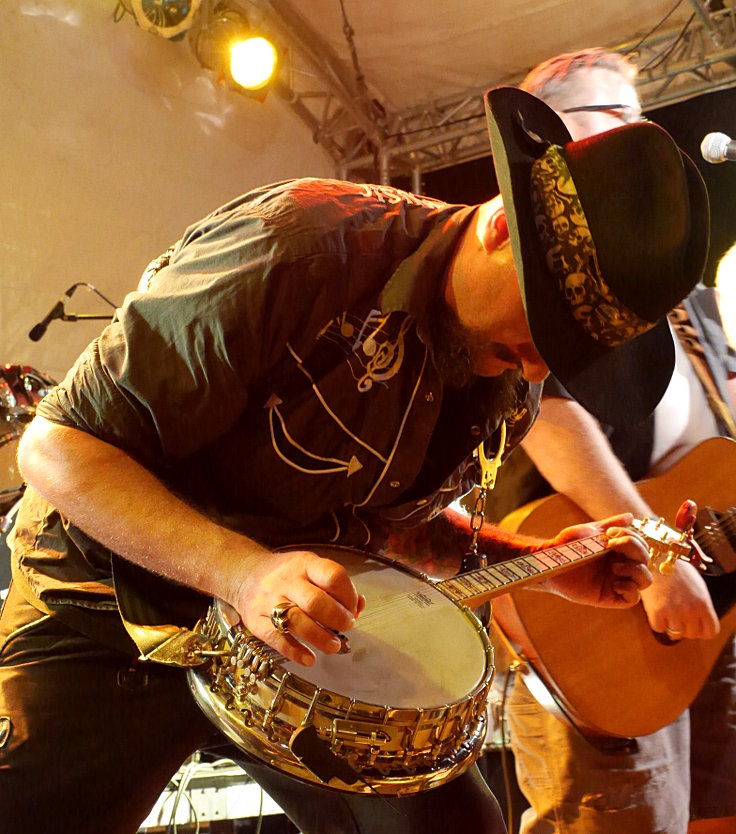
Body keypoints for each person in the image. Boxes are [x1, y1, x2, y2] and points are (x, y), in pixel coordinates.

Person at [0, 86, 709, 834]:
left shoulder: (504, 373)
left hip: (293, 645)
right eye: (541, 331)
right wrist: (241, 572)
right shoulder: (298, 245)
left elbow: (386, 527)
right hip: (110, 601)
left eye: (565, 355)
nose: (536, 373)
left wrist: (536, 562)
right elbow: (59, 447)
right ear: (503, 225)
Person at [496, 48, 736, 834]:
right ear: (555, 136)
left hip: (713, 607)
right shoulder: (541, 275)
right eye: (619, 116)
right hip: (613, 599)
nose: (646, 135)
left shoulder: (687, 296)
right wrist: (657, 552)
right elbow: (542, 414)